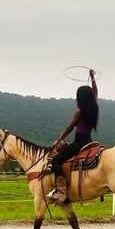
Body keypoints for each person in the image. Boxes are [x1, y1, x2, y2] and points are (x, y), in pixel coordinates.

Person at [47, 69, 99, 203]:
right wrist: (92, 78)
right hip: (89, 140)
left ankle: (61, 191)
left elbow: (69, 127)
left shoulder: (79, 111)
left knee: (56, 161)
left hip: (79, 142)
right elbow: (96, 93)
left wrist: (60, 139)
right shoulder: (94, 107)